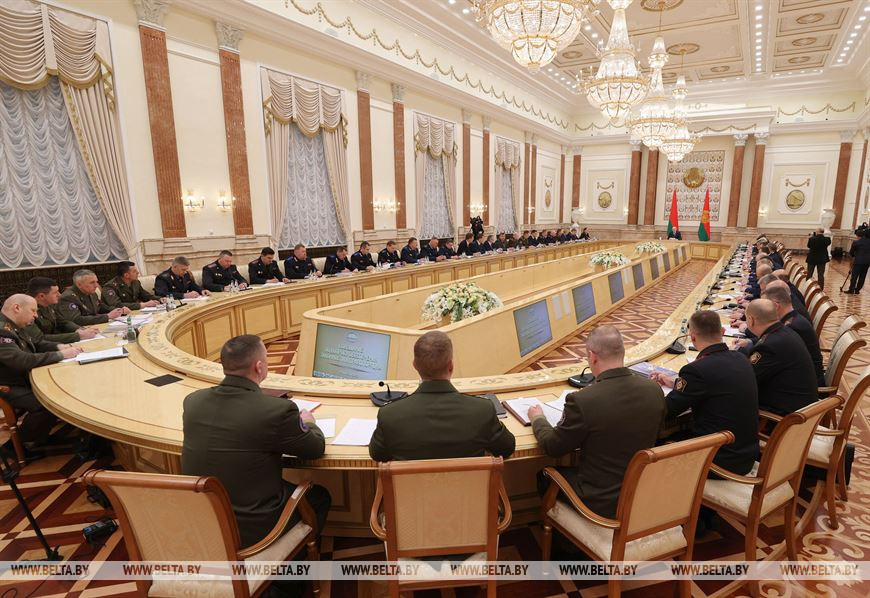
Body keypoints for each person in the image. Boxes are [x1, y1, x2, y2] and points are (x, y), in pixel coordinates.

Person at [182, 335, 331, 549]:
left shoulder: (193, 401)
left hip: (203, 520)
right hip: (253, 528)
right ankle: (292, 567)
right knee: (319, 497)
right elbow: (315, 448)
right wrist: (309, 422)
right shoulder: (277, 411)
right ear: (259, 367)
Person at [528, 326, 665, 518]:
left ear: (592, 356)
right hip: (642, 492)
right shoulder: (654, 390)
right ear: (622, 352)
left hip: (600, 502)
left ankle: (567, 537)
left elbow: (552, 447)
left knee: (545, 475)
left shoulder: (583, 400)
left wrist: (538, 418)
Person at [369, 331, 515, 461]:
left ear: (414, 365)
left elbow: (378, 455)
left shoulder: (389, 415)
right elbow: (507, 448)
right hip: (466, 485)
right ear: (451, 366)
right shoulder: (482, 410)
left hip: (413, 485)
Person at [652, 310, 759, 475]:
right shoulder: (741, 358)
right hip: (746, 453)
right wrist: (675, 383)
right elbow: (715, 382)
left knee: (652, 451)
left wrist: (649, 390)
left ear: (692, 337)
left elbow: (667, 410)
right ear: (722, 332)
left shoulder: (696, 370)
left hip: (717, 461)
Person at [0, 295, 81, 447]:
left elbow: (35, 344)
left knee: (62, 388)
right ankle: (15, 447)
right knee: (45, 404)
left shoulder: (14, 325)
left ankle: (41, 435)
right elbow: (20, 360)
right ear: (17, 308)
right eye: (33, 310)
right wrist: (60, 355)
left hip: (20, 377)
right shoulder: (2, 330)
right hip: (8, 384)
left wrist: (59, 347)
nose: (36, 315)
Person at [741, 299, 818, 415]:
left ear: (751, 320)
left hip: (788, 416)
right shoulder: (784, 331)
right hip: (801, 405)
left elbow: (748, 379)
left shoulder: (768, 346)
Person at [759, 283, 824, 386]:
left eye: (764, 307)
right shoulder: (792, 318)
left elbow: (771, 351)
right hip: (799, 376)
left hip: (803, 384)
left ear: (776, 306)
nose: (762, 311)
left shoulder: (792, 326)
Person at [26, 277, 98, 344]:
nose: (59, 295)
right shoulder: (26, 311)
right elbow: (39, 338)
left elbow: (62, 322)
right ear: (41, 296)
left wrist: (79, 329)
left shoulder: (49, 305)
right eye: (55, 293)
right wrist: (78, 336)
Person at [57, 269, 129, 325]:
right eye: (92, 282)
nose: (96, 285)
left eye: (96, 282)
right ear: (79, 284)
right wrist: (107, 316)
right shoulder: (68, 297)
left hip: (95, 327)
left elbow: (101, 307)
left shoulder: (91, 293)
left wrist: (119, 311)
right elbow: (76, 320)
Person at [847, 228, 870, 294]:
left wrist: (854, 255)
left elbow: (851, 253)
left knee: (854, 276)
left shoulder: (856, 242)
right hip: (867, 262)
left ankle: (851, 290)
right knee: (862, 276)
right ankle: (857, 290)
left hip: (858, 261)